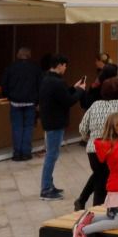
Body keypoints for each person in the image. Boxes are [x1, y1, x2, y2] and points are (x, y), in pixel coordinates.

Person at [74, 77, 118, 210]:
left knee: (99, 178)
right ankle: (103, 210)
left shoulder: (95, 105)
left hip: (95, 149)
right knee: (110, 180)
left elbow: (82, 128)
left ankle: (89, 205)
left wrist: (91, 139)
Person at [38, 55, 86, 200]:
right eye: (65, 66)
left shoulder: (48, 79)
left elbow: (62, 96)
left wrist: (74, 88)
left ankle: (49, 185)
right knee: (51, 156)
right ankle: (46, 189)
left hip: (50, 121)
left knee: (51, 155)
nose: (66, 68)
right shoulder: (56, 82)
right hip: (55, 122)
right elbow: (68, 100)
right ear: (59, 65)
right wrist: (81, 91)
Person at [0, 46, 42, 161]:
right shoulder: (35, 68)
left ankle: (17, 153)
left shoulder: (11, 68)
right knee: (28, 127)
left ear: (18, 55)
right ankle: (26, 153)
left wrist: (9, 96)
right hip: (30, 103)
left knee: (17, 127)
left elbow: (4, 85)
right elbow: (40, 86)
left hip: (15, 102)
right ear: (29, 55)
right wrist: (38, 101)